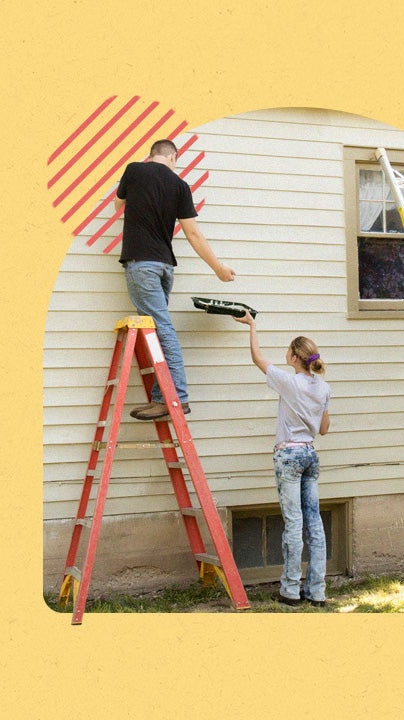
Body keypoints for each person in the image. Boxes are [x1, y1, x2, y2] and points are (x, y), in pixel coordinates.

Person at [116, 138, 235, 422]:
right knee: (159, 330)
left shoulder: (134, 170)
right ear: (173, 158)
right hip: (165, 267)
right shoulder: (181, 186)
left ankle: (177, 398)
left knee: (163, 330)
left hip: (142, 264)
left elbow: (119, 203)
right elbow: (193, 234)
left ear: (152, 155)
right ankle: (162, 397)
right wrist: (218, 268)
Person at [234, 311, 331, 608]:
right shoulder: (323, 387)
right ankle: (317, 592)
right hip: (311, 455)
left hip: (288, 455)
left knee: (293, 522)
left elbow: (257, 358)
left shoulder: (288, 382)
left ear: (292, 358)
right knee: (314, 523)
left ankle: (290, 590)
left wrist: (252, 325)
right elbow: (324, 429)